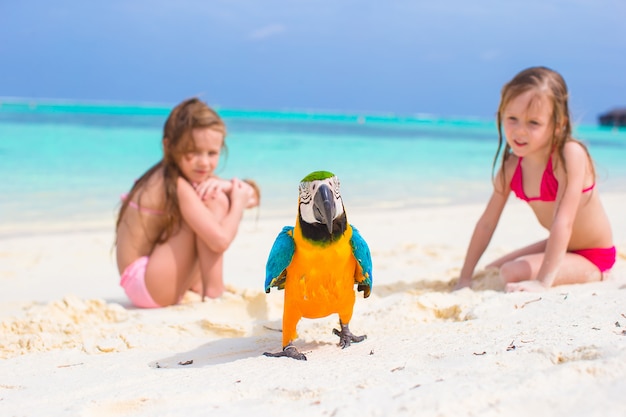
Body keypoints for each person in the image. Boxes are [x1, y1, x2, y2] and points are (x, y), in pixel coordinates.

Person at [456, 66, 615, 292]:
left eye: (533, 123)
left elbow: (564, 221)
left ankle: (595, 274)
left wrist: (542, 282)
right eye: (512, 118)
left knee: (510, 272)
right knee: (490, 269)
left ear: (558, 124)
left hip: (593, 256)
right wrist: (464, 278)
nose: (520, 131)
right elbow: (487, 223)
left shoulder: (569, 155)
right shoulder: (512, 167)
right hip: (561, 245)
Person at [115, 97, 260, 307]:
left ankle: (204, 286)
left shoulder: (181, 175)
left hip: (147, 279)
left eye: (212, 153)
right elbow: (220, 241)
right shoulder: (174, 183)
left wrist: (229, 187)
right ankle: (213, 291)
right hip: (147, 283)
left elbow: (251, 196)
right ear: (169, 146)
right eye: (192, 152)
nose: (204, 162)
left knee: (215, 193)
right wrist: (236, 202)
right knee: (215, 199)